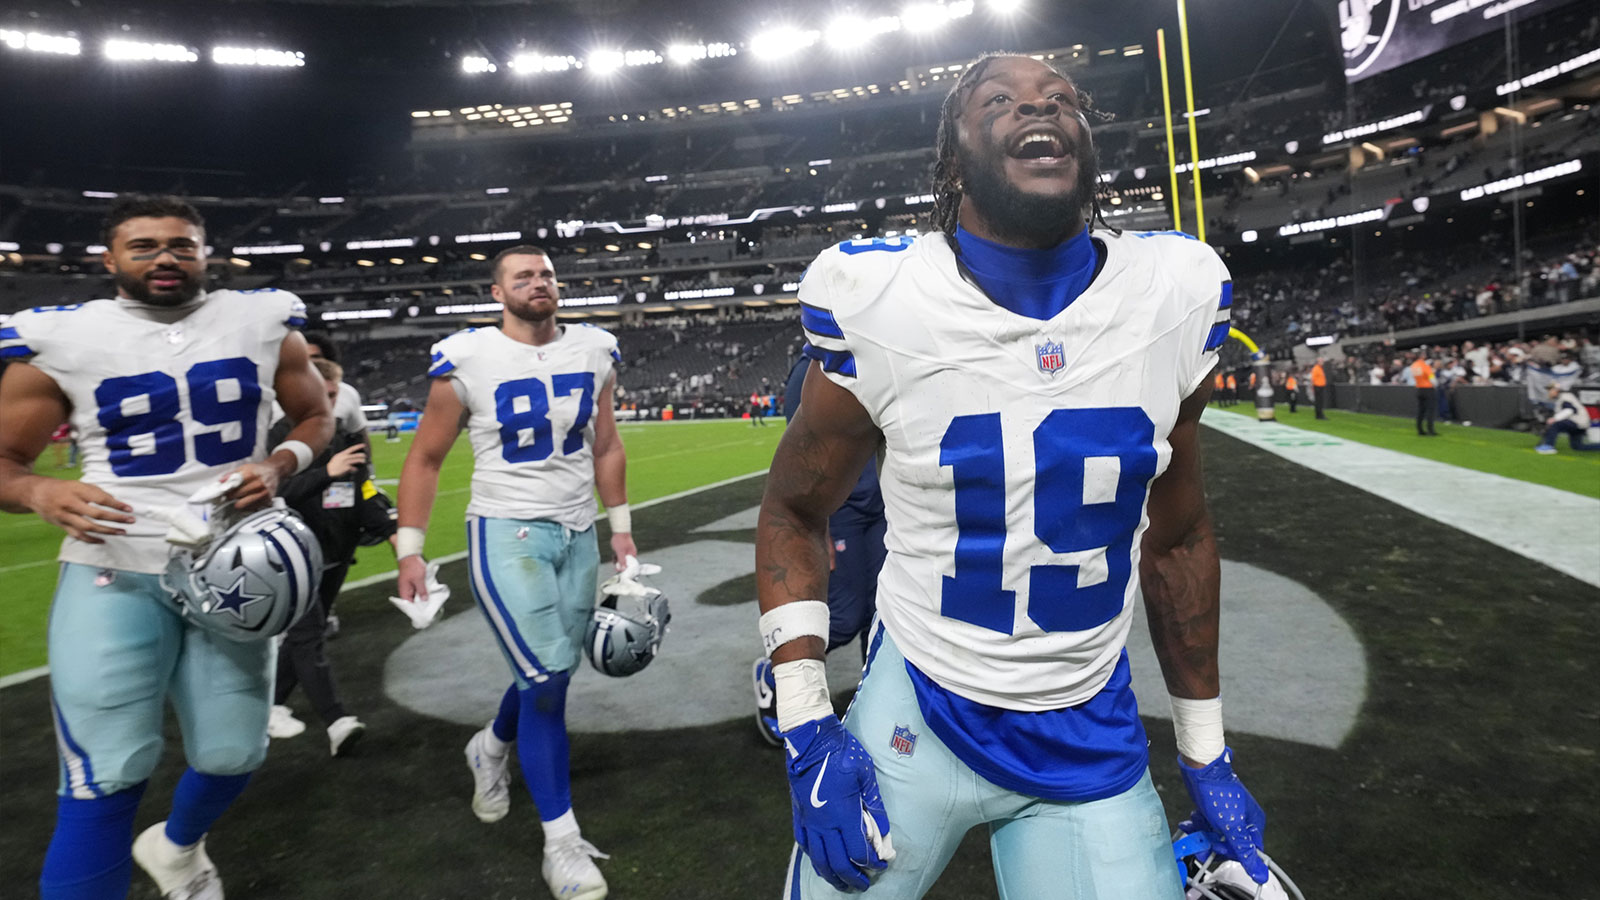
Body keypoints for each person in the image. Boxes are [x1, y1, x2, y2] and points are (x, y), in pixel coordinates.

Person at [757, 54, 1273, 899]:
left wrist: (1207, 751)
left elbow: (1177, 538)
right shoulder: (884, 296)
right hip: (919, 700)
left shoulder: (1173, 294)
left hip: (1090, 731)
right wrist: (810, 718)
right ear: (953, 158)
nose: (1039, 106)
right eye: (1000, 99)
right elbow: (792, 511)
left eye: (1061, 100)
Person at [0, 195, 332, 900]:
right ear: (110, 259)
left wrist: (278, 466)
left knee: (233, 753)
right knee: (104, 773)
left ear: (207, 253)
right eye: (144, 246)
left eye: (181, 245)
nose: (165, 258)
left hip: (232, 571)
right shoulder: (59, 337)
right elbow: (4, 458)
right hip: (114, 572)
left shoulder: (263, 319)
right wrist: (37, 493)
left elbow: (315, 415)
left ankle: (176, 849)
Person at [395, 245, 635, 900]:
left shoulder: (593, 348)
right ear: (497, 292)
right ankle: (561, 842)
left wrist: (622, 530)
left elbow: (607, 444)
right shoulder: (468, 357)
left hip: (578, 530)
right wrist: (409, 548)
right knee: (548, 678)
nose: (539, 282)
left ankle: (491, 747)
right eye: (523, 275)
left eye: (548, 273)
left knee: (549, 672)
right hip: (507, 531)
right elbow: (423, 458)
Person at [751, 356, 888, 745]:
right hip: (839, 509)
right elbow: (802, 465)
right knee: (844, 618)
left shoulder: (882, 341)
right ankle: (774, 671)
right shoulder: (816, 366)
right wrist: (817, 525)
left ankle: (877, 702)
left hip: (881, 508)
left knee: (882, 615)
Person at [266, 357, 391, 755]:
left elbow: (361, 489)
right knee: (307, 638)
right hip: (291, 555)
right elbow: (272, 496)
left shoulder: (341, 437)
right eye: (326, 394)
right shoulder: (275, 437)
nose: (333, 402)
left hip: (335, 554)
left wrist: (392, 531)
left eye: (336, 394)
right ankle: (337, 721)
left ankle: (269, 706)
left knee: (306, 637)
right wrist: (327, 472)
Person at [1535, 382, 1596, 453]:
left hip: (1577, 422)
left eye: (1550, 390)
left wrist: (1554, 419)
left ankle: (1549, 446)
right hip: (1580, 424)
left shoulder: (1565, 397)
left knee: (1555, 424)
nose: (1549, 392)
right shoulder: (1563, 397)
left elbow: (1569, 410)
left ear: (1556, 390)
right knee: (1578, 446)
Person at [1407, 351, 1438, 436]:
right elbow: (1432, 378)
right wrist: (1435, 385)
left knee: (1421, 410)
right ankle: (1430, 430)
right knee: (1430, 410)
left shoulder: (1413, 366)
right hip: (1428, 389)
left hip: (1419, 388)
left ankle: (1420, 429)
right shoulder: (1425, 366)